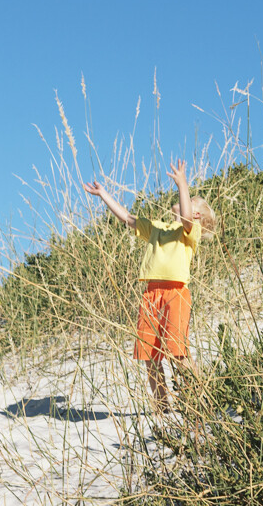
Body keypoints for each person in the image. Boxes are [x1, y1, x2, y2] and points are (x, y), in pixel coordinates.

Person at [83, 160, 215, 413]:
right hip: (151, 294)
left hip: (175, 293)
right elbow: (128, 218)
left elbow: (186, 216)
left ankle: (198, 400)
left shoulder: (190, 231)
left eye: (192, 201)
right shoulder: (158, 228)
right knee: (149, 354)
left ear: (197, 215)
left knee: (178, 353)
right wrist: (104, 195)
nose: (187, 201)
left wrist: (182, 183)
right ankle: (162, 407)